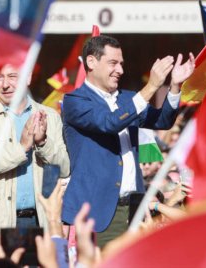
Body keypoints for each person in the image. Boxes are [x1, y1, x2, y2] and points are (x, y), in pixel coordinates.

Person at [62, 35, 195, 247]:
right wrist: (150, 87)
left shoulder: (127, 98)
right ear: (91, 62)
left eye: (121, 64)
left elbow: (163, 121)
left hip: (135, 209)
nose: (120, 70)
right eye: (113, 63)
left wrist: (175, 86)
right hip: (99, 214)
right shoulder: (75, 101)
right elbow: (109, 123)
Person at [0, 64, 70, 247]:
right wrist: (21, 148)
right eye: (0, 77)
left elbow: (64, 168)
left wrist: (43, 143)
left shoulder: (49, 116)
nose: (5, 84)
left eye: (12, 76)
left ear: (27, 79)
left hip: (40, 221)